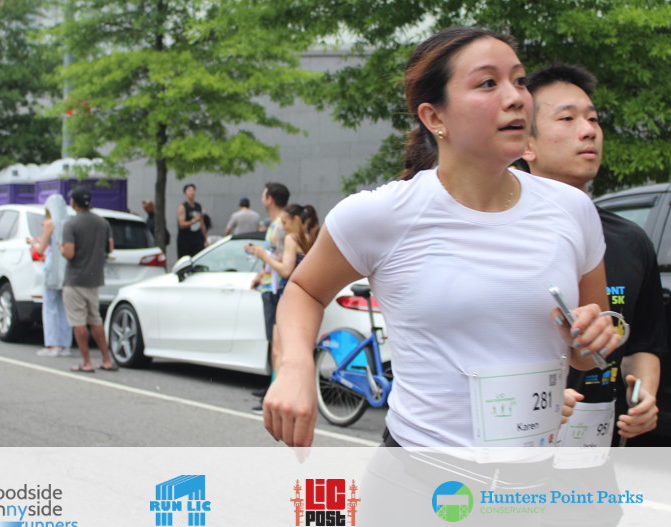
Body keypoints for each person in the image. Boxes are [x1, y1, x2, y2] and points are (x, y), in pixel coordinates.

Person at [264, 27, 621, 449]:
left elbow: (589, 349)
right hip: (420, 471)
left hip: (535, 476)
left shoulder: (573, 208)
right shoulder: (381, 213)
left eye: (520, 80)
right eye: (488, 83)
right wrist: (294, 366)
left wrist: (598, 334)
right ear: (435, 118)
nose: (515, 97)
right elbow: (304, 289)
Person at [522, 64, 665, 445]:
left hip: (596, 450)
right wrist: (527, 396)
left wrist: (644, 395)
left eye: (593, 119)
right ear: (526, 144)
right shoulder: (500, 237)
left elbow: (642, 344)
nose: (588, 131)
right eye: (567, 119)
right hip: (513, 448)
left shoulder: (630, 240)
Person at [62, 187, 117, 372]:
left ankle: (86, 362)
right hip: (95, 279)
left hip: (75, 279)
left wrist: (61, 248)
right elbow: (110, 248)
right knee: (96, 319)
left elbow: (69, 253)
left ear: (74, 203)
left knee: (78, 321)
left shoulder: (71, 225)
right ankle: (106, 359)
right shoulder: (102, 223)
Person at [247, 182, 290, 411]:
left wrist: (262, 255)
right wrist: (260, 274)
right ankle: (271, 388)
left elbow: (282, 259)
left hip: (276, 289)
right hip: (269, 286)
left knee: (277, 346)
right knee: (274, 345)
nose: (261, 198)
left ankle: (275, 394)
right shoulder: (276, 223)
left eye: (263, 194)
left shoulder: (281, 224)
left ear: (270, 199)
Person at [28, 194, 72, 357]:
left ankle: (52, 344)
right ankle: (65, 345)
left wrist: (34, 243)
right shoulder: (68, 223)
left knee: (50, 307)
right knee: (64, 308)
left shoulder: (49, 224)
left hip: (52, 267)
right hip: (66, 268)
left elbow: (41, 249)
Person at [176, 184, 206, 259]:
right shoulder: (182, 207)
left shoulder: (198, 206)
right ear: (185, 193)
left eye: (193, 190)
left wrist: (205, 238)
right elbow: (181, 224)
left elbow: (202, 223)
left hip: (197, 238)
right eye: (189, 190)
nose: (192, 192)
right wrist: (194, 221)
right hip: (185, 239)